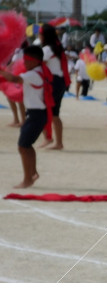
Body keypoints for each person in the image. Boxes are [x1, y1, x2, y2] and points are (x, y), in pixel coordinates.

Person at [0, 46, 53, 188]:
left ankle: (27, 179)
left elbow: (14, 79)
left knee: (23, 146)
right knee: (26, 146)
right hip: (35, 114)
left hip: (36, 115)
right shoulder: (38, 71)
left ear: (35, 61)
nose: (24, 63)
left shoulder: (34, 74)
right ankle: (33, 173)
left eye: (27, 60)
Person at [38, 24, 70, 150]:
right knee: (55, 114)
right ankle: (58, 142)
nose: (39, 36)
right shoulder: (56, 47)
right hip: (60, 82)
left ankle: (48, 138)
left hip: (52, 82)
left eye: (40, 34)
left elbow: (39, 65)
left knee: (42, 111)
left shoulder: (47, 49)